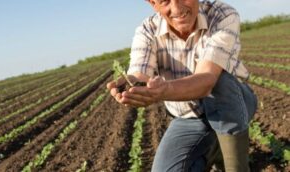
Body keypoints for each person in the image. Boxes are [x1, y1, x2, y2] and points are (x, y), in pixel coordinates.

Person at [107, 0, 257, 171]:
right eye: (165, 1)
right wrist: (133, 85)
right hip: (189, 116)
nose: (177, 9)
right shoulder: (147, 30)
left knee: (220, 82)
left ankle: (236, 166)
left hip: (235, 104)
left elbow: (207, 79)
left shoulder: (221, 14)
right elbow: (140, 72)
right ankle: (213, 151)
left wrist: (166, 90)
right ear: (153, 3)